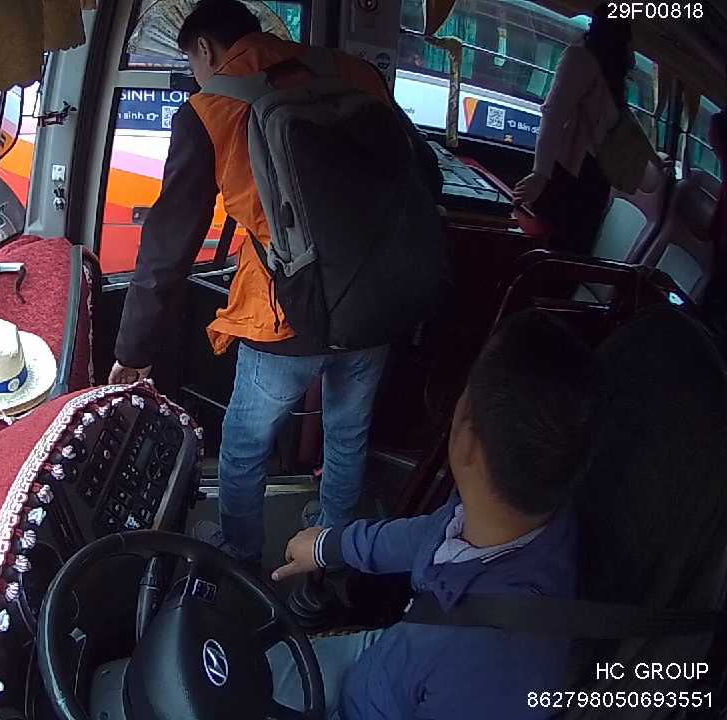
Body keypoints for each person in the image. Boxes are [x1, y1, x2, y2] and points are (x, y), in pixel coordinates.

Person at [108, 0, 441, 571]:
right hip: (379, 299)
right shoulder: (354, 72)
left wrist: (134, 349)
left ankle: (239, 552)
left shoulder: (211, 108)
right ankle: (330, 547)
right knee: (348, 433)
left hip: (287, 316)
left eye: (191, 64)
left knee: (244, 444)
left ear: (205, 49)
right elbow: (425, 175)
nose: (195, 75)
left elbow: (168, 248)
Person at [269, 310, 598, 719]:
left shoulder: (501, 668)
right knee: (255, 667)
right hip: (392, 656)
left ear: (466, 438)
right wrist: (328, 545)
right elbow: (427, 536)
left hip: (394, 689)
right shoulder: (504, 516)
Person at [513, 4, 634, 255]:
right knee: (570, 250)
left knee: (547, 246)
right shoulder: (615, 71)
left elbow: (554, 115)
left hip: (570, 173)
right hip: (595, 178)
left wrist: (540, 173)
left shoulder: (580, 58)